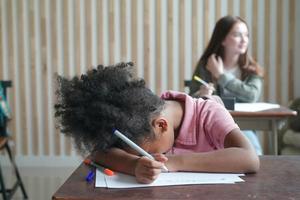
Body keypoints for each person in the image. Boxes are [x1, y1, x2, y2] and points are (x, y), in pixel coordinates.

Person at [55, 62, 259, 184]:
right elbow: (99, 153)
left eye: (144, 153)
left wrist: (175, 163)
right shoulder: (139, 116)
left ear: (161, 125)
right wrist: (134, 164)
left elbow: (249, 158)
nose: (148, 157)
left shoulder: (209, 112)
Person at [189, 15, 264, 155]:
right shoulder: (206, 65)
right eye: (237, 35)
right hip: (211, 125)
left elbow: (252, 95)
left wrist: (222, 76)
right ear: (223, 39)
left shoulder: (252, 68)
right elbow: (191, 98)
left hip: (244, 125)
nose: (244, 40)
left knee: (254, 153)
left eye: (246, 35)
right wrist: (201, 95)